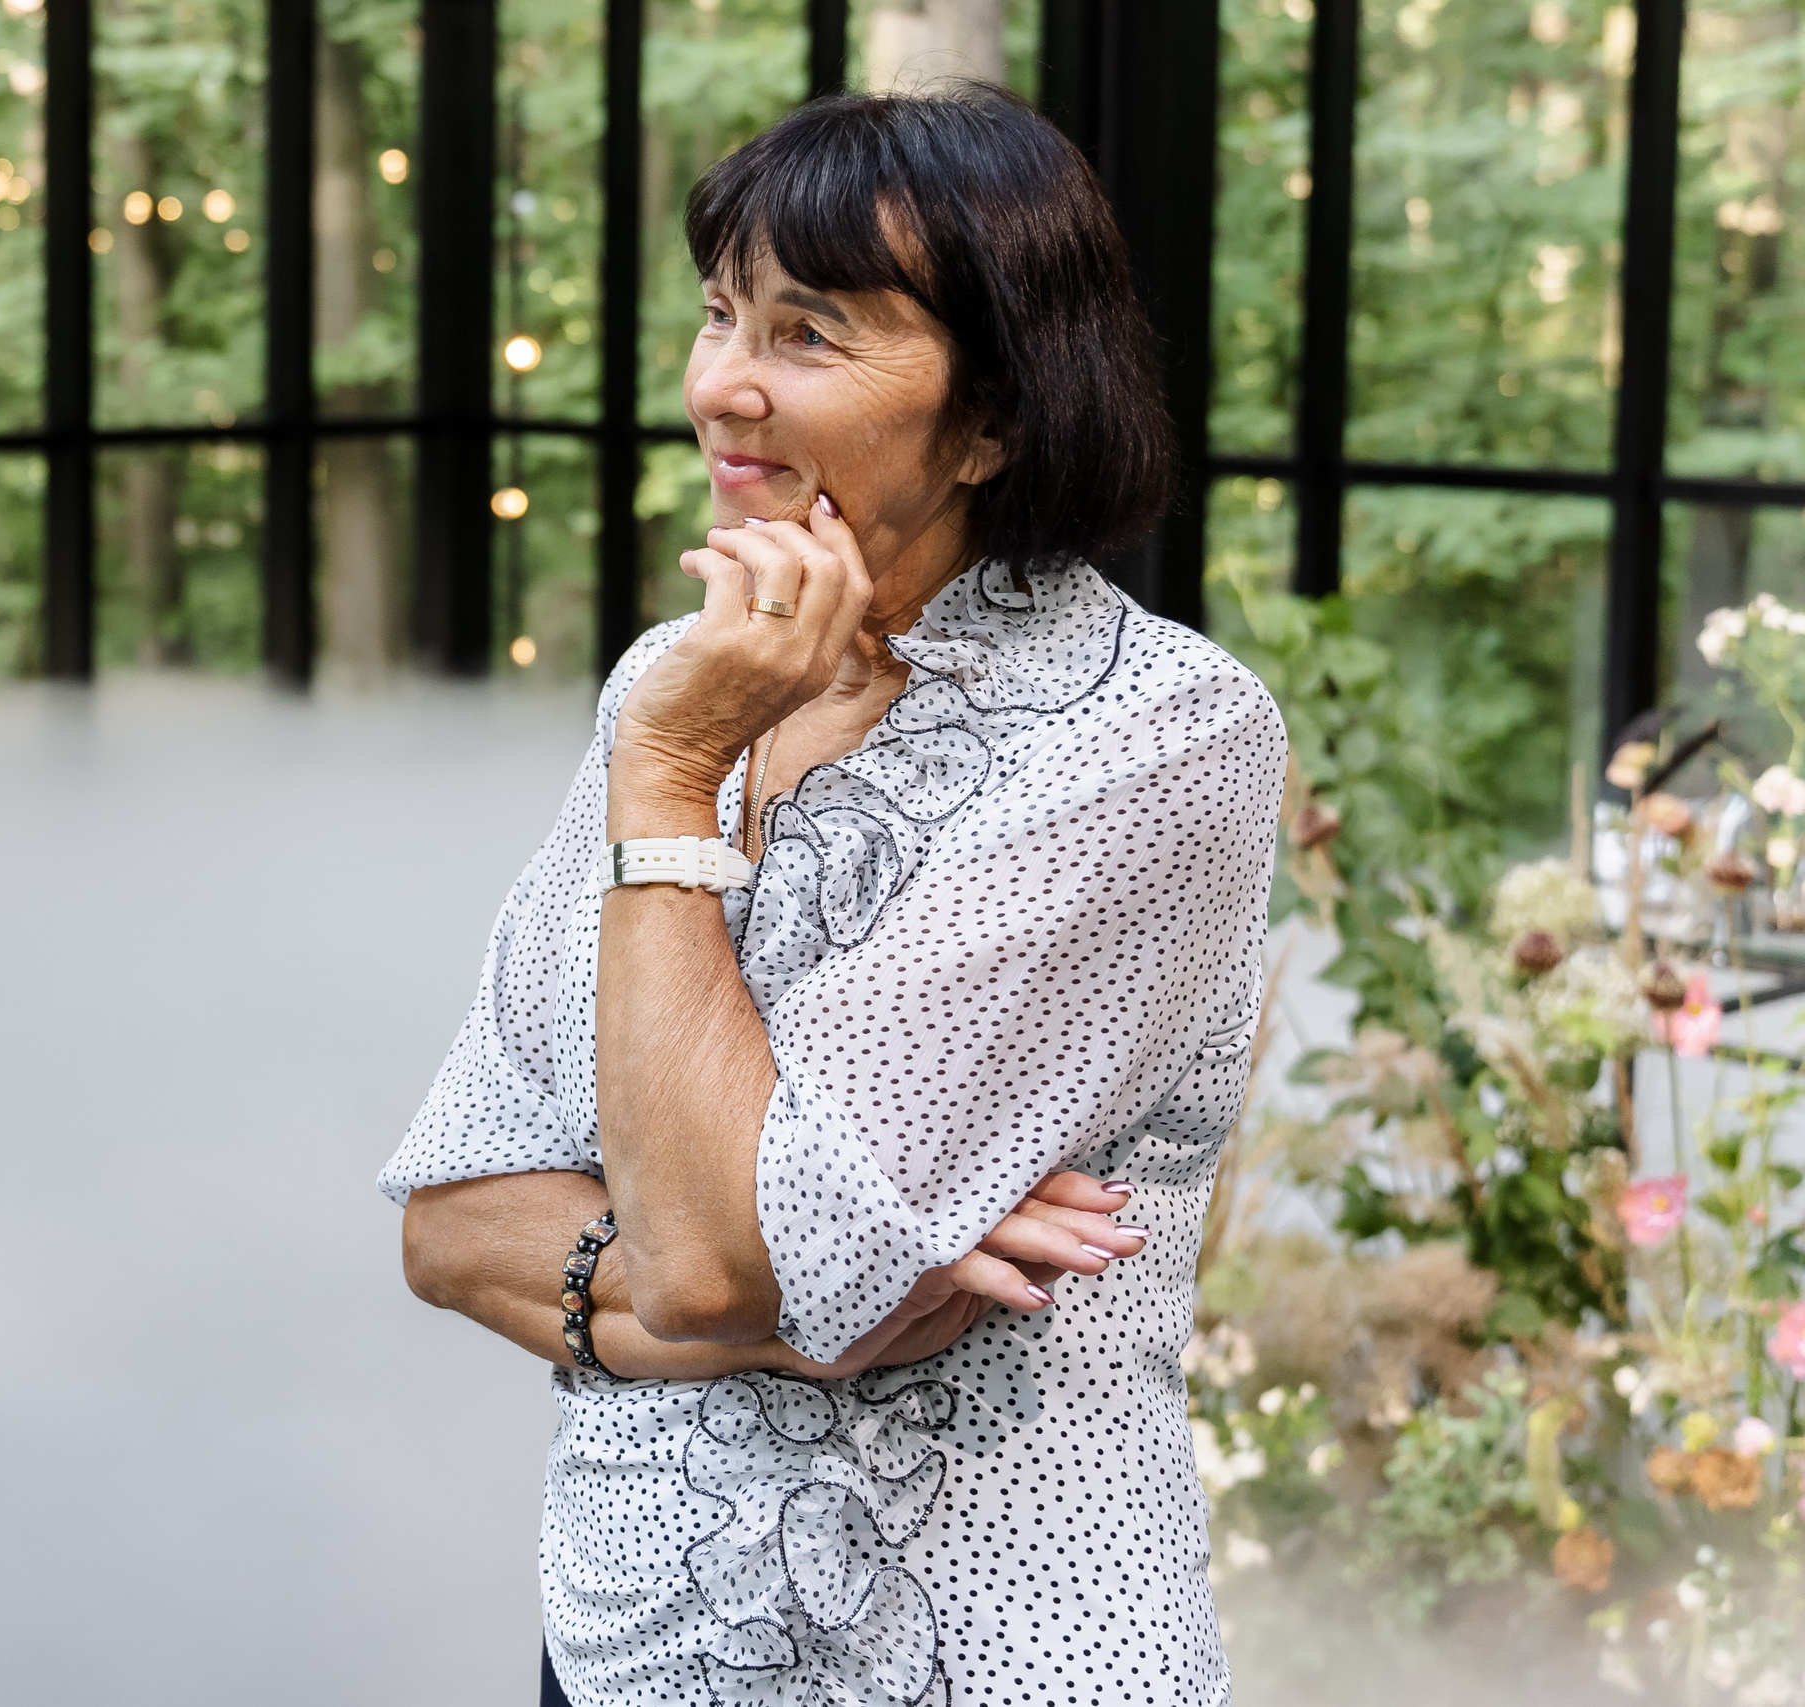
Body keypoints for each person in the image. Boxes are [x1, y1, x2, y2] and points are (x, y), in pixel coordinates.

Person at [382, 86, 1284, 1707]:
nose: (722, 384)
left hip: (982, 1655)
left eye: (807, 334)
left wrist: (666, 796)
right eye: (722, 313)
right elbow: (452, 1227)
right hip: (623, 1646)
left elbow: (715, 1253)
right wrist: (788, 1314)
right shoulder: (682, 684)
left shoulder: (1151, 735)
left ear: (995, 415)